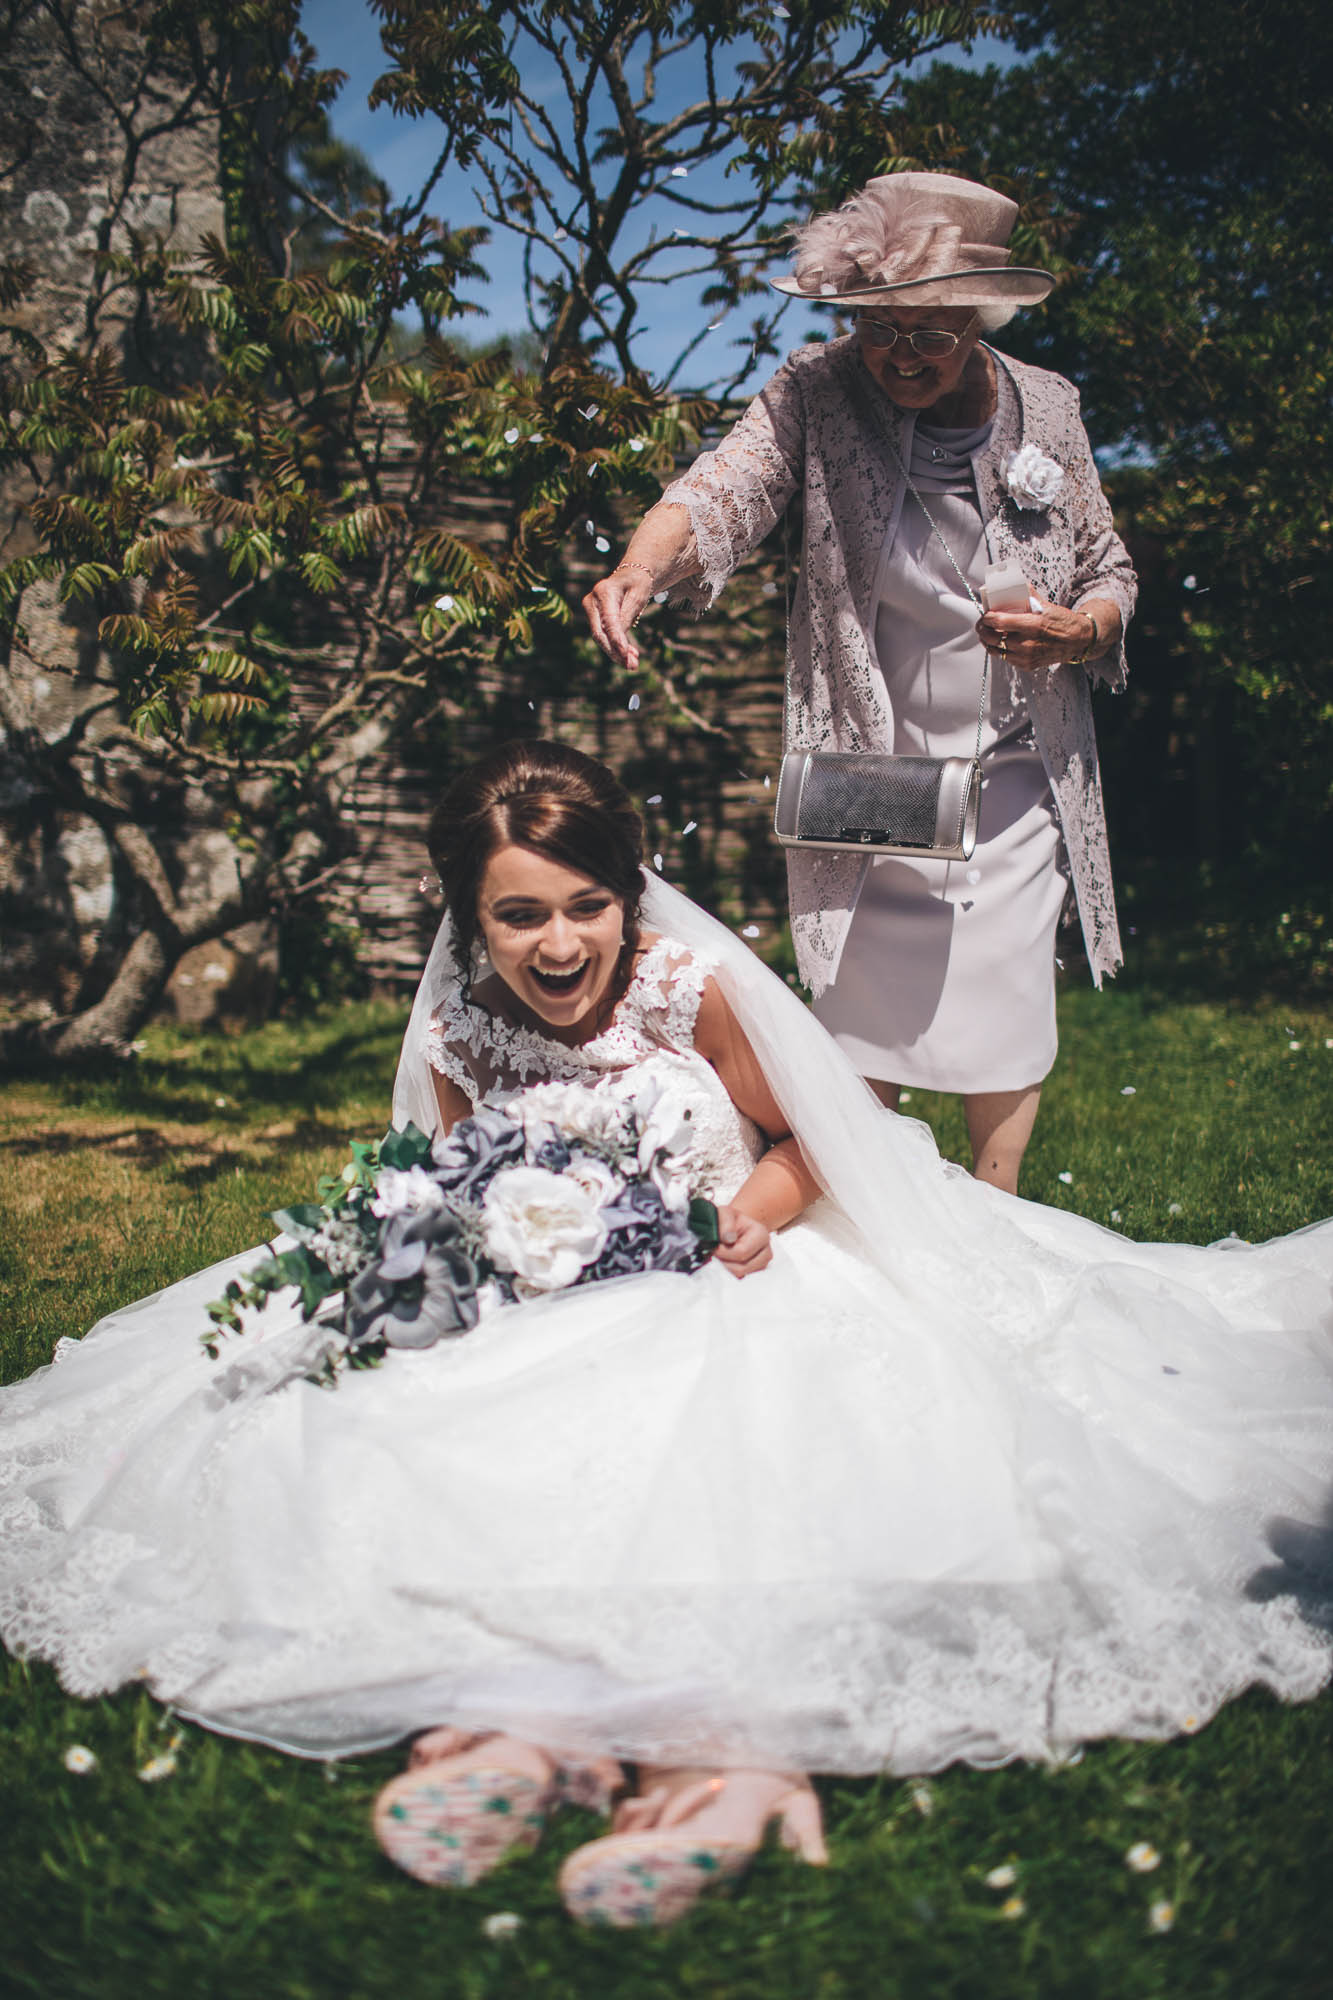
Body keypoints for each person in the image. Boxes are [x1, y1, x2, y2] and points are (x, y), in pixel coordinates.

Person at [2, 741, 1332, 1934]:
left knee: (729, 1469)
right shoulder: (460, 1020)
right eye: (520, 915)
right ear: (466, 916)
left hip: (746, 1268)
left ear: (628, 898)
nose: (562, 943)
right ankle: (524, 1741)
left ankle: (718, 1763)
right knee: (416, 1442)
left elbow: (818, 1132)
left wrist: (740, 1214)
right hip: (545, 1299)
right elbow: (464, 1175)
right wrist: (463, 1253)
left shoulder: (686, 991)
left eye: (588, 905)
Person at [585, 170, 1137, 1195]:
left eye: (930, 332)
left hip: (1015, 770)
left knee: (1006, 995)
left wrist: (1076, 630)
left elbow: (1107, 564)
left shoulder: (1048, 406)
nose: (898, 355)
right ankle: (856, 1211)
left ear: (980, 316)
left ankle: (994, 1218)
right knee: (856, 1019)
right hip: (869, 767)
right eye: (878, 327)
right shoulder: (815, 388)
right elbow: (725, 485)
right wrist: (638, 566)